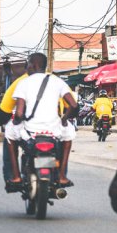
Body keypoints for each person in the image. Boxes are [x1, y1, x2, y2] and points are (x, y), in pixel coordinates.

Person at [11, 53, 79, 188]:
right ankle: (62, 176)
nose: (26, 68)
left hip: (31, 130)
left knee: (9, 135)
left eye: (28, 65)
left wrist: (17, 121)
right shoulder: (58, 81)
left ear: (34, 65)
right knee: (69, 136)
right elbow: (74, 105)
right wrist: (64, 119)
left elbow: (18, 113)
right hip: (53, 130)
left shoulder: (23, 82)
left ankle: (17, 177)